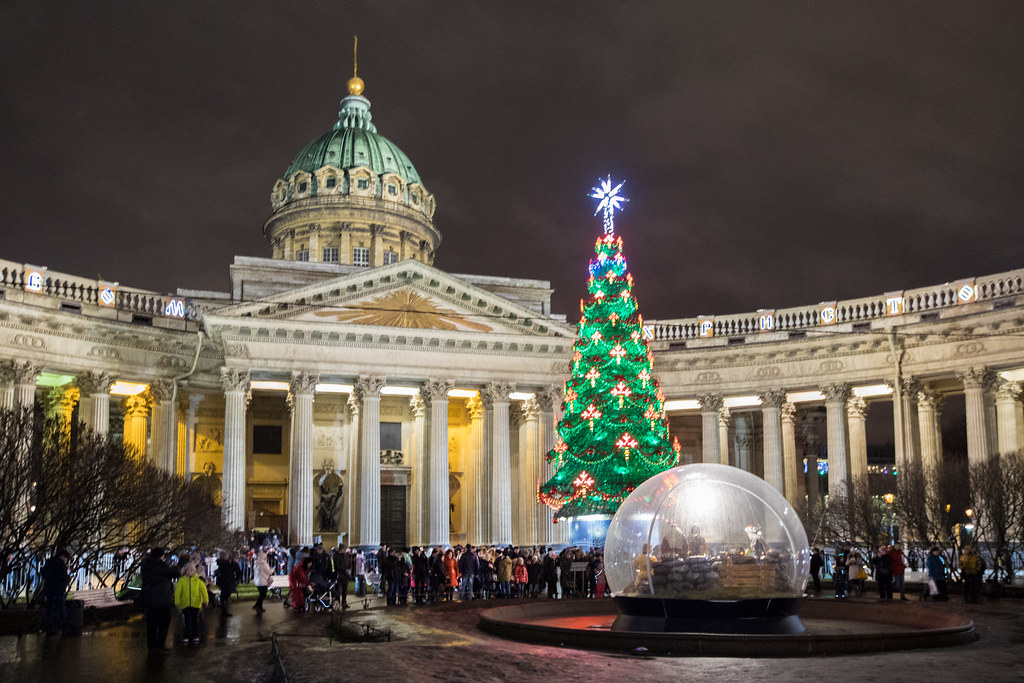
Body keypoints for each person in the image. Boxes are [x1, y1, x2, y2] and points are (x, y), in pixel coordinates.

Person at [141, 547, 180, 654]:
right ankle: (159, 645)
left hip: (149, 598)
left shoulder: (146, 565)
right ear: (160, 556)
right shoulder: (160, 565)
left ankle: (151, 647)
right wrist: (176, 567)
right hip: (161, 599)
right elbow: (175, 573)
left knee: (151, 624)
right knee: (164, 622)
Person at [174, 563, 209, 644]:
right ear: (185, 571)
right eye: (188, 570)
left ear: (195, 571)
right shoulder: (182, 581)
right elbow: (178, 592)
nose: (189, 572)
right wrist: (177, 602)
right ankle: (186, 635)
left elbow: (204, 591)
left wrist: (205, 600)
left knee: (195, 621)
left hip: (196, 604)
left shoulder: (198, 581)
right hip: (185, 604)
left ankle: (195, 635)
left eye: (192, 570)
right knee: (187, 621)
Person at [40, 550, 71, 635]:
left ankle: (48, 628)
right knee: (61, 610)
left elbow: (44, 574)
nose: (66, 561)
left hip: (49, 589)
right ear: (63, 556)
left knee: (49, 610)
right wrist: (68, 576)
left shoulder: (49, 562)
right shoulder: (61, 564)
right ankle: (65, 628)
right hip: (58, 590)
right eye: (66, 559)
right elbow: (63, 577)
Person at [214, 551, 242, 616]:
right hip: (225, 581)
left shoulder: (227, 563)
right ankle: (224, 610)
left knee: (225, 595)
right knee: (225, 595)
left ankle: (223, 609)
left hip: (227, 581)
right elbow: (228, 570)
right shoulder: (224, 563)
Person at [252, 549, 273, 613]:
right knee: (263, 595)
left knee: (261, 594)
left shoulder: (256, 564)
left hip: (257, 581)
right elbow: (268, 571)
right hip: (263, 581)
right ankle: (257, 605)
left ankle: (259, 607)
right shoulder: (264, 564)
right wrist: (272, 570)